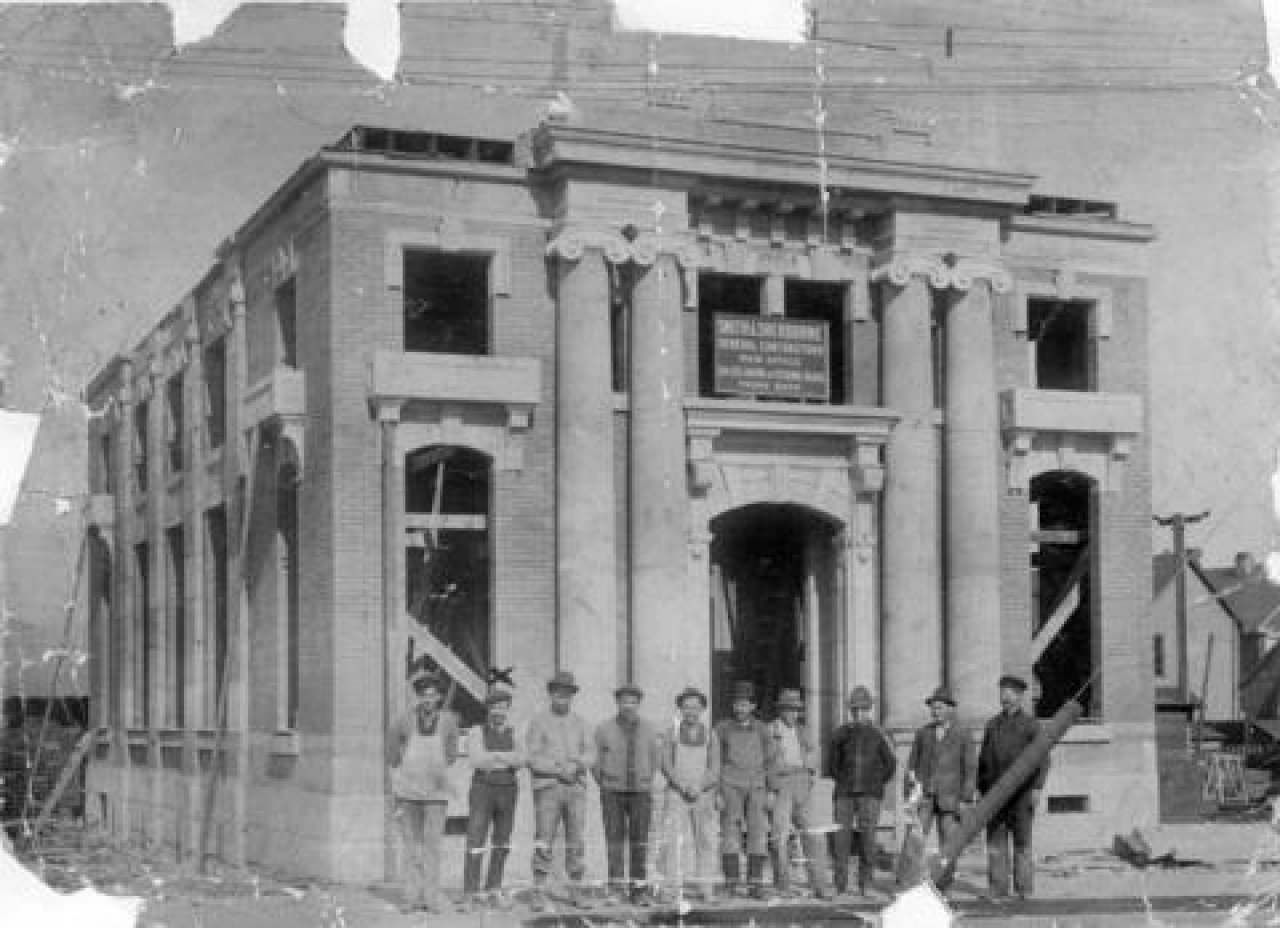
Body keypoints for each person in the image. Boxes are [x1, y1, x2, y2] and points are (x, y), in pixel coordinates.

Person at [386, 669, 460, 914]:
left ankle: (431, 898)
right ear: (418, 697)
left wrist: (439, 768)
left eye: (433, 695)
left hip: (436, 794)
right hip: (409, 793)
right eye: (424, 696)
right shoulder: (404, 719)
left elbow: (451, 751)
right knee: (411, 846)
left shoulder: (448, 721)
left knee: (432, 846)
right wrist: (400, 767)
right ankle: (410, 898)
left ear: (439, 697)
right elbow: (391, 746)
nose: (429, 700)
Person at [527, 671, 595, 909]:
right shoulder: (538, 722)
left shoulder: (581, 723)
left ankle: (576, 890)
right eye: (557, 694)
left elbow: (591, 754)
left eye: (566, 694)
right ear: (550, 695)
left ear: (572, 696)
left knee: (576, 839)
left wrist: (576, 765)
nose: (561, 699)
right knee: (544, 837)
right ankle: (538, 890)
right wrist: (557, 769)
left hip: (575, 787)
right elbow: (532, 757)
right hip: (548, 787)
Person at [978, 674, 1048, 903]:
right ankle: (997, 888)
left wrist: (1037, 788)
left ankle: (1024, 889)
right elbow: (983, 760)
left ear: (1019, 697)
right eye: (1002, 692)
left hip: (1022, 794)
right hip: (995, 795)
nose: (1005, 697)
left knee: (1022, 843)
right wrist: (982, 790)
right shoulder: (992, 725)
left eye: (1010, 693)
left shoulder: (1031, 726)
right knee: (995, 843)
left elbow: (1043, 759)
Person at [594, 683, 662, 904]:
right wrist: (605, 783)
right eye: (624, 701)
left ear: (638, 704)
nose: (628, 706)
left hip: (640, 793)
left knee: (640, 840)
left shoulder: (650, 729)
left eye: (633, 702)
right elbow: (595, 761)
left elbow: (655, 759)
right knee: (614, 840)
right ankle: (615, 889)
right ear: (618, 703)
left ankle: (639, 890)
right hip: (612, 792)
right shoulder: (604, 728)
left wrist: (644, 779)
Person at [827, 685, 896, 900]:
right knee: (841, 839)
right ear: (850, 710)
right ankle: (840, 885)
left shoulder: (879, 735)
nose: (859, 714)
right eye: (855, 710)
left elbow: (890, 765)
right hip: (844, 794)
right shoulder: (840, 734)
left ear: (870, 710)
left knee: (868, 839)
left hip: (870, 794)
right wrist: (844, 781)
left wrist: (875, 782)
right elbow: (832, 765)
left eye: (863, 709)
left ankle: (866, 884)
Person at [766, 688, 835, 900]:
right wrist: (771, 787)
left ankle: (819, 885)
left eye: (796, 710)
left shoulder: (804, 731)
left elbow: (814, 754)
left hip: (802, 784)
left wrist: (810, 773)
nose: (793, 714)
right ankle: (783, 884)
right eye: (788, 710)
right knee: (780, 836)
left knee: (814, 834)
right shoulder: (770, 730)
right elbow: (765, 761)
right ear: (781, 710)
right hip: (781, 784)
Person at [905, 685, 975, 891]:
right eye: (933, 708)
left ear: (951, 709)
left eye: (940, 707)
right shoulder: (923, 734)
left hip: (951, 799)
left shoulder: (963, 734)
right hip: (925, 797)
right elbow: (911, 765)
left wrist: (966, 798)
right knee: (914, 840)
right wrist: (910, 795)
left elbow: (970, 769)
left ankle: (944, 886)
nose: (936, 712)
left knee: (949, 844)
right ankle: (906, 884)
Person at [657, 686, 720, 901]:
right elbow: (665, 763)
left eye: (695, 707)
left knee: (706, 841)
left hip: (703, 794)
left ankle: (706, 888)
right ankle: (670, 889)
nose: (691, 711)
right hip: (677, 793)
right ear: (680, 709)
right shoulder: (671, 732)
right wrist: (682, 785)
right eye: (686, 707)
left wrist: (700, 786)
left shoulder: (711, 734)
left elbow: (715, 767)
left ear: (703, 708)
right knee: (673, 841)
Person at [462, 688, 524, 908]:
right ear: (487, 709)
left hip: (508, 789)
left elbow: (521, 760)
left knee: (502, 842)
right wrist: (505, 759)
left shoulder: (515, 731)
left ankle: (493, 890)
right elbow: (477, 760)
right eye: (494, 707)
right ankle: (470, 893)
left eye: (502, 707)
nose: (498, 711)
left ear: (507, 709)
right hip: (482, 789)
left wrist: (495, 757)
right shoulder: (476, 731)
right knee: (475, 840)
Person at [714, 680, 775, 899]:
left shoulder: (762, 729)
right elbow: (715, 761)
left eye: (745, 704)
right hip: (730, 785)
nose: (740, 708)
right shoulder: (722, 728)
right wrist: (717, 792)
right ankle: (731, 884)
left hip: (757, 786)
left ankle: (755, 884)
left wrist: (771, 790)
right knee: (730, 832)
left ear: (753, 706)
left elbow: (771, 761)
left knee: (757, 834)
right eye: (737, 704)